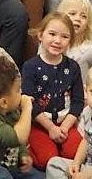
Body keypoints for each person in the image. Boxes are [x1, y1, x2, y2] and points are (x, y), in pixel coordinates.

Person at [21, 12, 85, 170]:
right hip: (40, 123)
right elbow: (30, 102)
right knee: (47, 161)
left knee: (74, 154)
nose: (57, 41)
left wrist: (64, 128)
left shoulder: (73, 67)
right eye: (52, 34)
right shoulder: (30, 66)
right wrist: (50, 128)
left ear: (70, 41)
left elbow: (78, 102)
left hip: (66, 123)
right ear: (40, 35)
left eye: (64, 37)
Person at [56, 0, 92, 78]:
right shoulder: (51, 43)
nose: (78, 18)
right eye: (72, 14)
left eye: (83, 16)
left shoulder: (91, 49)